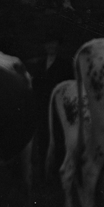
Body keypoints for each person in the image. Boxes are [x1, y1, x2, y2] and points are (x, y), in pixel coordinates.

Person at [29, 26, 77, 164]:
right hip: (42, 109)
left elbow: (69, 88)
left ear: (58, 44)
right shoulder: (39, 64)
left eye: (53, 43)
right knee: (42, 139)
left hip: (58, 110)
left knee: (59, 139)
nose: (50, 46)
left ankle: (58, 170)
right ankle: (43, 170)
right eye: (48, 43)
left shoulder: (65, 65)